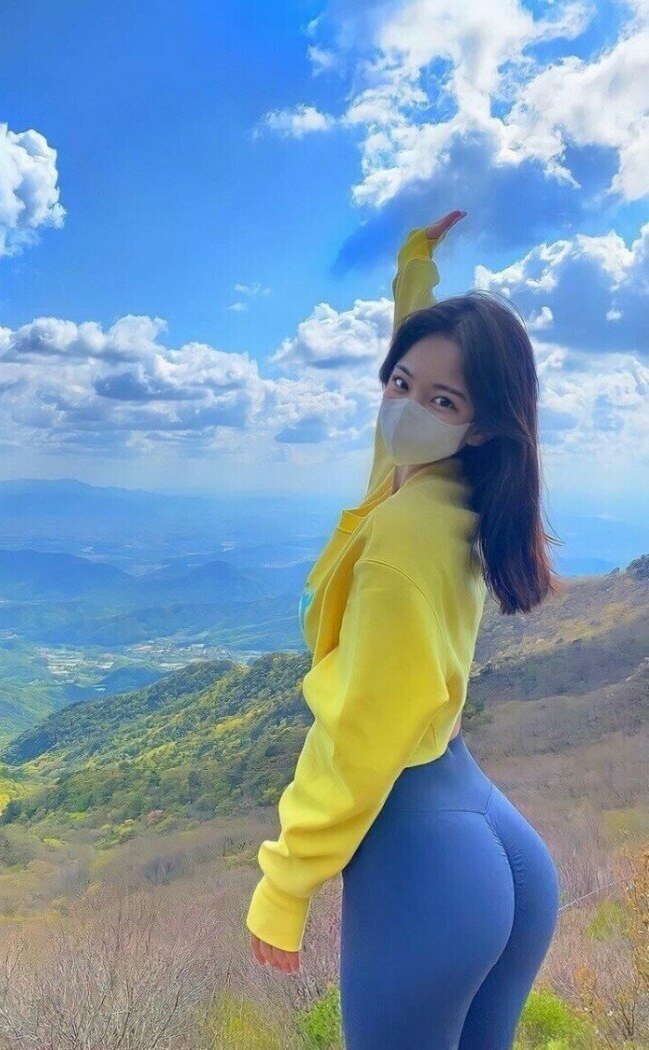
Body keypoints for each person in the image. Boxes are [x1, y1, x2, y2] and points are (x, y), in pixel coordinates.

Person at [245, 210, 562, 1048]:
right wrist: (414, 270)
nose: (406, 408)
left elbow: (361, 730)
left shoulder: (401, 540)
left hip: (421, 862)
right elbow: (423, 376)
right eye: (399, 384)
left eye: (441, 400)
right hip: (493, 837)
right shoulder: (440, 479)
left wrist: (287, 879)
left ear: (479, 422)